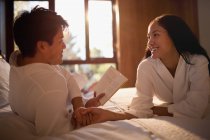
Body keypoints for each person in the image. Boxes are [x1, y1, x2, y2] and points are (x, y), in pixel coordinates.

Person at [80, 14, 210, 124]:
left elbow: (196, 108)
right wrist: (107, 115)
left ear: (174, 35)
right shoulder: (146, 66)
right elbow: (141, 109)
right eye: (148, 37)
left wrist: (160, 110)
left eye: (156, 35)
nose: (149, 42)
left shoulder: (198, 62)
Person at [9, 6, 104, 136]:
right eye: (60, 40)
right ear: (42, 46)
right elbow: (58, 135)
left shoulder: (18, 59)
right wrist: (81, 118)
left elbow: (68, 77)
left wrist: (80, 105)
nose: (64, 46)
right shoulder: (50, 84)